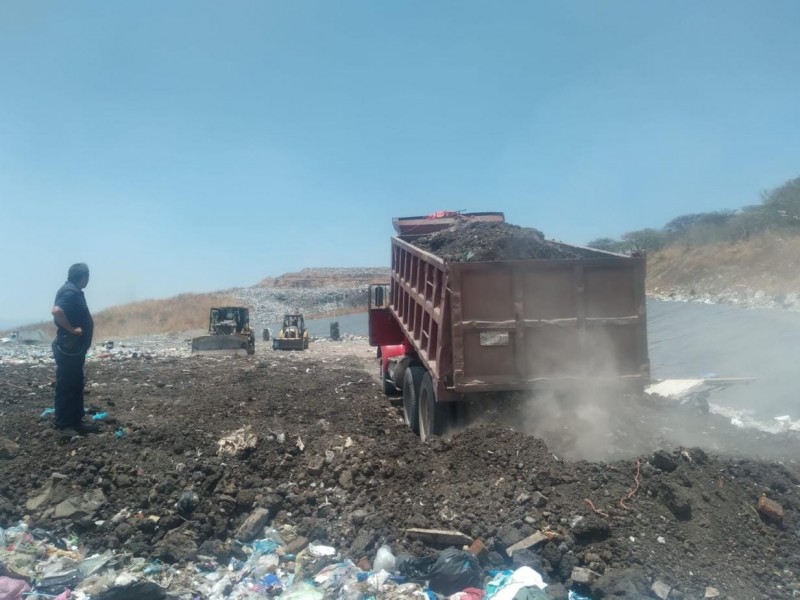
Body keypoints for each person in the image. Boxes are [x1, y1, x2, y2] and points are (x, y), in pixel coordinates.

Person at [51, 263, 97, 437]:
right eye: (88, 277)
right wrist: (71, 329)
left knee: (76, 384)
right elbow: (56, 311)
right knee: (66, 385)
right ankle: (64, 425)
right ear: (83, 277)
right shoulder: (69, 292)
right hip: (68, 348)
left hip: (74, 349)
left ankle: (77, 421)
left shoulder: (73, 291)